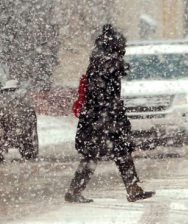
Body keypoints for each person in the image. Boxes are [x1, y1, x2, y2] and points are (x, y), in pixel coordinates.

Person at [65, 24, 155, 203]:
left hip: (99, 117)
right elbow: (104, 92)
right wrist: (112, 115)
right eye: (122, 46)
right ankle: (76, 190)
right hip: (103, 118)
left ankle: (132, 188)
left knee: (106, 154)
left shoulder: (99, 60)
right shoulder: (107, 62)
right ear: (115, 45)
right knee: (107, 153)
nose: (124, 50)